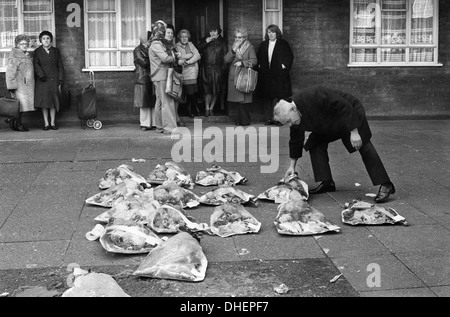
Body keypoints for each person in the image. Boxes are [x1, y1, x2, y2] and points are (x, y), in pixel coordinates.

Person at [273, 85, 396, 203]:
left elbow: (344, 106)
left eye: (289, 121)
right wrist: (292, 167)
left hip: (349, 113)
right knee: (315, 143)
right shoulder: (292, 115)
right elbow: (295, 140)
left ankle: (386, 184)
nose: (290, 125)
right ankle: (327, 182)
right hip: (329, 122)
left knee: (362, 144)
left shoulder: (315, 94)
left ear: (293, 109)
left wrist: (354, 131)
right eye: (287, 123)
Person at [256, 24, 294, 126]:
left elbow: (289, 56)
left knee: (279, 98)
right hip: (267, 75)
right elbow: (258, 57)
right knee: (267, 98)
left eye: (273, 32)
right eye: (269, 32)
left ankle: (279, 119)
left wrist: (284, 66)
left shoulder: (283, 44)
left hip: (279, 75)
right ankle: (268, 118)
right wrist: (260, 66)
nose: (271, 34)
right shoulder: (264, 44)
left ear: (277, 33)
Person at [149, 21, 181, 135]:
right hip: (162, 76)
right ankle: (170, 128)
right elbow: (165, 58)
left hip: (159, 76)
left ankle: (159, 126)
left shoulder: (155, 43)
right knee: (167, 102)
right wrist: (175, 57)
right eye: (163, 30)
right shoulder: (156, 44)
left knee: (159, 102)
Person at [224, 27, 257, 126]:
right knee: (237, 101)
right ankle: (238, 120)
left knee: (244, 101)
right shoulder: (233, 47)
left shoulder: (249, 47)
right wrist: (233, 51)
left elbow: (254, 61)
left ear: (244, 38)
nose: (237, 39)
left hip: (244, 77)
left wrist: (242, 63)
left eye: (240, 37)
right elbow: (226, 60)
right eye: (236, 37)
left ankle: (245, 120)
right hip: (234, 76)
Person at [33, 31, 64, 131]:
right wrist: (41, 75)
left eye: (48, 38)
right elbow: (36, 65)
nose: (46, 40)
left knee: (53, 102)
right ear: (41, 40)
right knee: (44, 102)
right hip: (42, 81)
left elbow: (60, 66)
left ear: (51, 40)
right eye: (44, 38)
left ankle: (53, 123)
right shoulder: (37, 52)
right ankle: (46, 123)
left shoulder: (56, 51)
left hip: (54, 80)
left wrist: (60, 79)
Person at [5, 34, 35, 132]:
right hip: (19, 86)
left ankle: (13, 122)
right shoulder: (15, 56)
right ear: (17, 45)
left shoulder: (25, 54)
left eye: (26, 43)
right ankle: (18, 124)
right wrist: (11, 86)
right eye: (22, 44)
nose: (24, 45)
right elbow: (10, 72)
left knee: (20, 106)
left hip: (25, 86)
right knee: (19, 106)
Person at [198, 25, 228, 116]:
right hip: (206, 68)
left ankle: (212, 108)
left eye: (215, 31)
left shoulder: (223, 41)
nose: (213, 33)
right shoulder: (205, 40)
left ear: (218, 31)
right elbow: (198, 49)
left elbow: (225, 55)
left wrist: (223, 68)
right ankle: (207, 108)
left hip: (218, 69)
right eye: (211, 31)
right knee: (207, 89)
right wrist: (206, 42)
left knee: (216, 89)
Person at [175, 29, 201, 118]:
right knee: (189, 92)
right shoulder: (176, 46)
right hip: (184, 72)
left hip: (193, 72)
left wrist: (188, 61)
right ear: (179, 37)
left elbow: (198, 55)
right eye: (182, 37)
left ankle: (194, 108)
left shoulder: (191, 44)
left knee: (194, 91)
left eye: (186, 36)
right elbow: (178, 60)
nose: (184, 38)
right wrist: (189, 55)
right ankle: (190, 110)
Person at [133, 31, 156, 131]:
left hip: (152, 77)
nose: (151, 39)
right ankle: (145, 123)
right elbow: (144, 62)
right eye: (150, 37)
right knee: (144, 102)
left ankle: (154, 122)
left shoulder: (151, 48)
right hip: (142, 78)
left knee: (154, 101)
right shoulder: (137, 50)